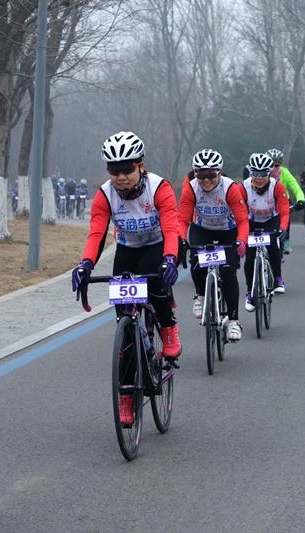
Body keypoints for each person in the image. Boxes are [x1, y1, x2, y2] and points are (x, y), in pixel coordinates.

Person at [71, 131, 181, 426]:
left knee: (155, 282)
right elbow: (97, 232)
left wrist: (170, 258)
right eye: (114, 171)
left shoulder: (160, 188)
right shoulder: (105, 195)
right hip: (128, 247)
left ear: (140, 165)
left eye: (127, 169)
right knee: (126, 330)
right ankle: (127, 396)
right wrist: (85, 265)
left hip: (158, 243)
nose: (120, 177)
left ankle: (168, 327)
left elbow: (172, 227)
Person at [178, 149, 249, 341]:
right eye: (201, 175)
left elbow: (243, 219)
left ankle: (234, 321)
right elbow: (182, 219)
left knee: (228, 273)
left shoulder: (230, 188)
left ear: (219, 173)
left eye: (211, 175)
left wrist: (242, 239)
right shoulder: (192, 188)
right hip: (203, 229)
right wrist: (181, 240)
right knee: (196, 261)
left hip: (228, 231)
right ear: (195, 174)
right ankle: (200, 295)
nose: (206, 180)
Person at [240, 153, 291, 306]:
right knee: (249, 258)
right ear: (250, 173)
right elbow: (238, 211)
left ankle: (277, 279)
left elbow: (284, 210)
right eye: (256, 173)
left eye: (263, 174)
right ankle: (250, 292)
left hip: (270, 219)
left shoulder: (277, 186)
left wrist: (282, 228)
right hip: (251, 221)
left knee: (273, 247)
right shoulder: (243, 187)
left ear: (269, 173)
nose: (259, 177)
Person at [266, 149, 305, 254]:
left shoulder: (285, 173)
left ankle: (286, 240)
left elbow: (296, 188)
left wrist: (301, 200)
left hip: (283, 201)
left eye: (277, 164)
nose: (275, 167)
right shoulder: (263, 174)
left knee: (286, 217)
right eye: (272, 164)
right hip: (266, 202)